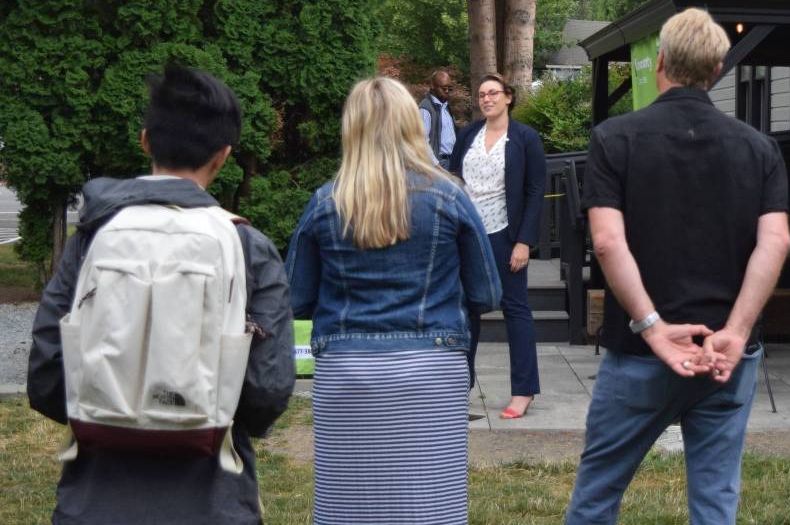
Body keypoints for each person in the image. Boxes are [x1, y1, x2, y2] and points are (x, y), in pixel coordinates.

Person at [27, 63, 295, 524]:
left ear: (145, 140)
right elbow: (266, 390)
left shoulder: (93, 237)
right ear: (224, 155)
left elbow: (47, 376)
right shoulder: (246, 246)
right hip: (213, 497)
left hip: (94, 496)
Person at [563, 8, 790, 525]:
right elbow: (775, 241)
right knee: (715, 505)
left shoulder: (614, 138)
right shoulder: (760, 149)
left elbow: (606, 241)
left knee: (597, 496)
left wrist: (652, 327)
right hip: (725, 359)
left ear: (660, 61)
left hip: (640, 356)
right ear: (716, 71)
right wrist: (737, 331)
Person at [286, 77, 501, 524]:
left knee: (348, 507)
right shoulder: (450, 196)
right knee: (430, 507)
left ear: (353, 129)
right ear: (412, 127)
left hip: (346, 373)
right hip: (431, 372)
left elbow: (297, 300)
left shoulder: (326, 202)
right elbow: (486, 294)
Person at [450, 72, 546, 419]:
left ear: (509, 97)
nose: (486, 99)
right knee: (465, 312)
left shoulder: (525, 138)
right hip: (467, 234)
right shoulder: (468, 136)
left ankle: (523, 391)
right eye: (481, 94)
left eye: (493, 93)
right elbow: (454, 180)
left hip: (505, 234)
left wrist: (524, 242)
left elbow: (536, 191)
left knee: (515, 309)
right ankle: (459, 389)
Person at [420, 70, 458, 170]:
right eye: (444, 88)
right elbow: (422, 141)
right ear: (432, 85)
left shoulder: (445, 107)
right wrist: (435, 165)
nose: (447, 91)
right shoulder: (426, 109)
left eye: (449, 89)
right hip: (439, 163)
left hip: (453, 160)